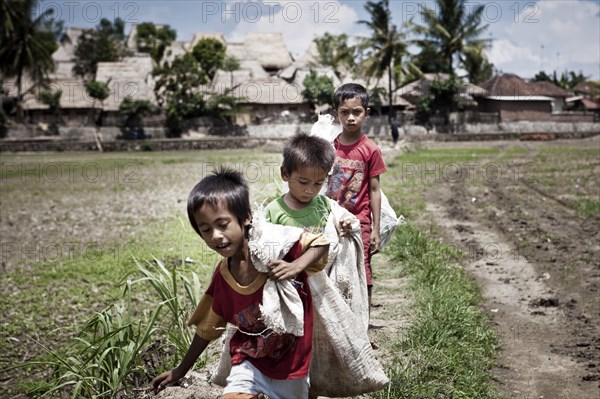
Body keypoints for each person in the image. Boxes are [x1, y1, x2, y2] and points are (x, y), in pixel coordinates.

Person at [151, 168, 329, 399]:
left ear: (246, 217)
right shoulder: (223, 278)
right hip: (248, 361)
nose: (215, 236)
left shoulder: (278, 247)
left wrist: (296, 266)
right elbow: (207, 328)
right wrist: (180, 370)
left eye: (222, 224)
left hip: (292, 364)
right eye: (206, 230)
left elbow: (321, 244)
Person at [325, 83, 387, 315]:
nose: (350, 118)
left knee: (363, 271)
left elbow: (374, 190)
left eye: (356, 112)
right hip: (331, 221)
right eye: (344, 112)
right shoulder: (330, 147)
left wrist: (376, 230)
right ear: (336, 114)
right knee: (332, 269)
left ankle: (363, 325)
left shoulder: (370, 150)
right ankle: (340, 322)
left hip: (359, 222)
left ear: (366, 113)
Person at [264, 132, 353, 235]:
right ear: (285, 174)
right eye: (303, 182)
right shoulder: (272, 212)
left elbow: (344, 221)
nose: (310, 190)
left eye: (318, 183)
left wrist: (345, 225)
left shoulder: (326, 206)